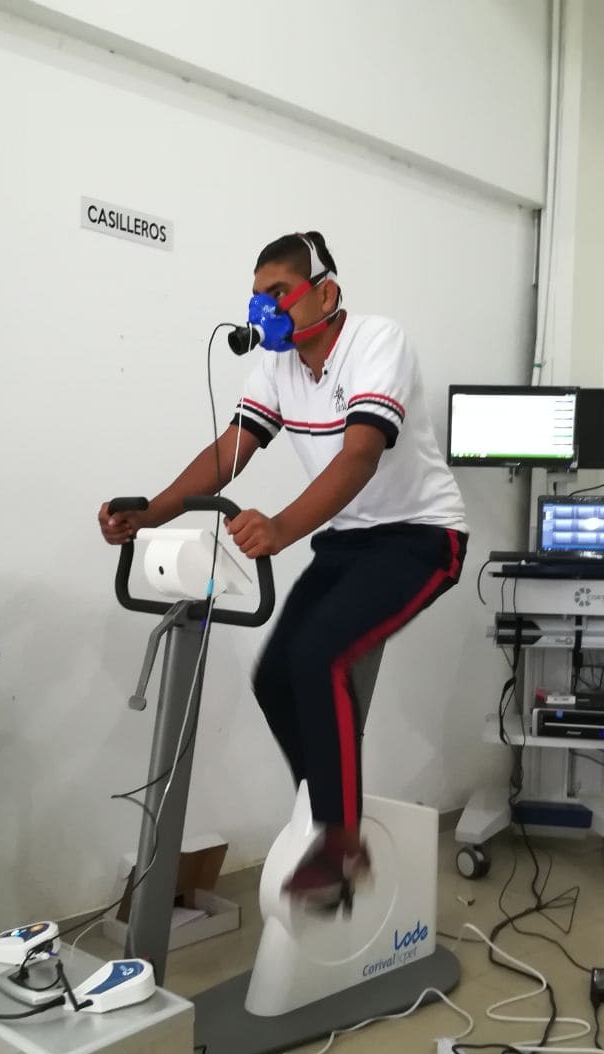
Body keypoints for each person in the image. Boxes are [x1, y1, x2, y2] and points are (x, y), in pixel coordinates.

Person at [99, 231, 467, 909]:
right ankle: (324, 807)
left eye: (279, 293)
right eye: (256, 297)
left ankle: (341, 844)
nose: (264, 310)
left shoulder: (377, 341)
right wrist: (150, 513)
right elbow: (229, 451)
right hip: (350, 540)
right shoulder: (276, 367)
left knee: (319, 658)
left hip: (422, 537)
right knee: (275, 674)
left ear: (325, 294)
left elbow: (360, 456)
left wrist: (281, 528)